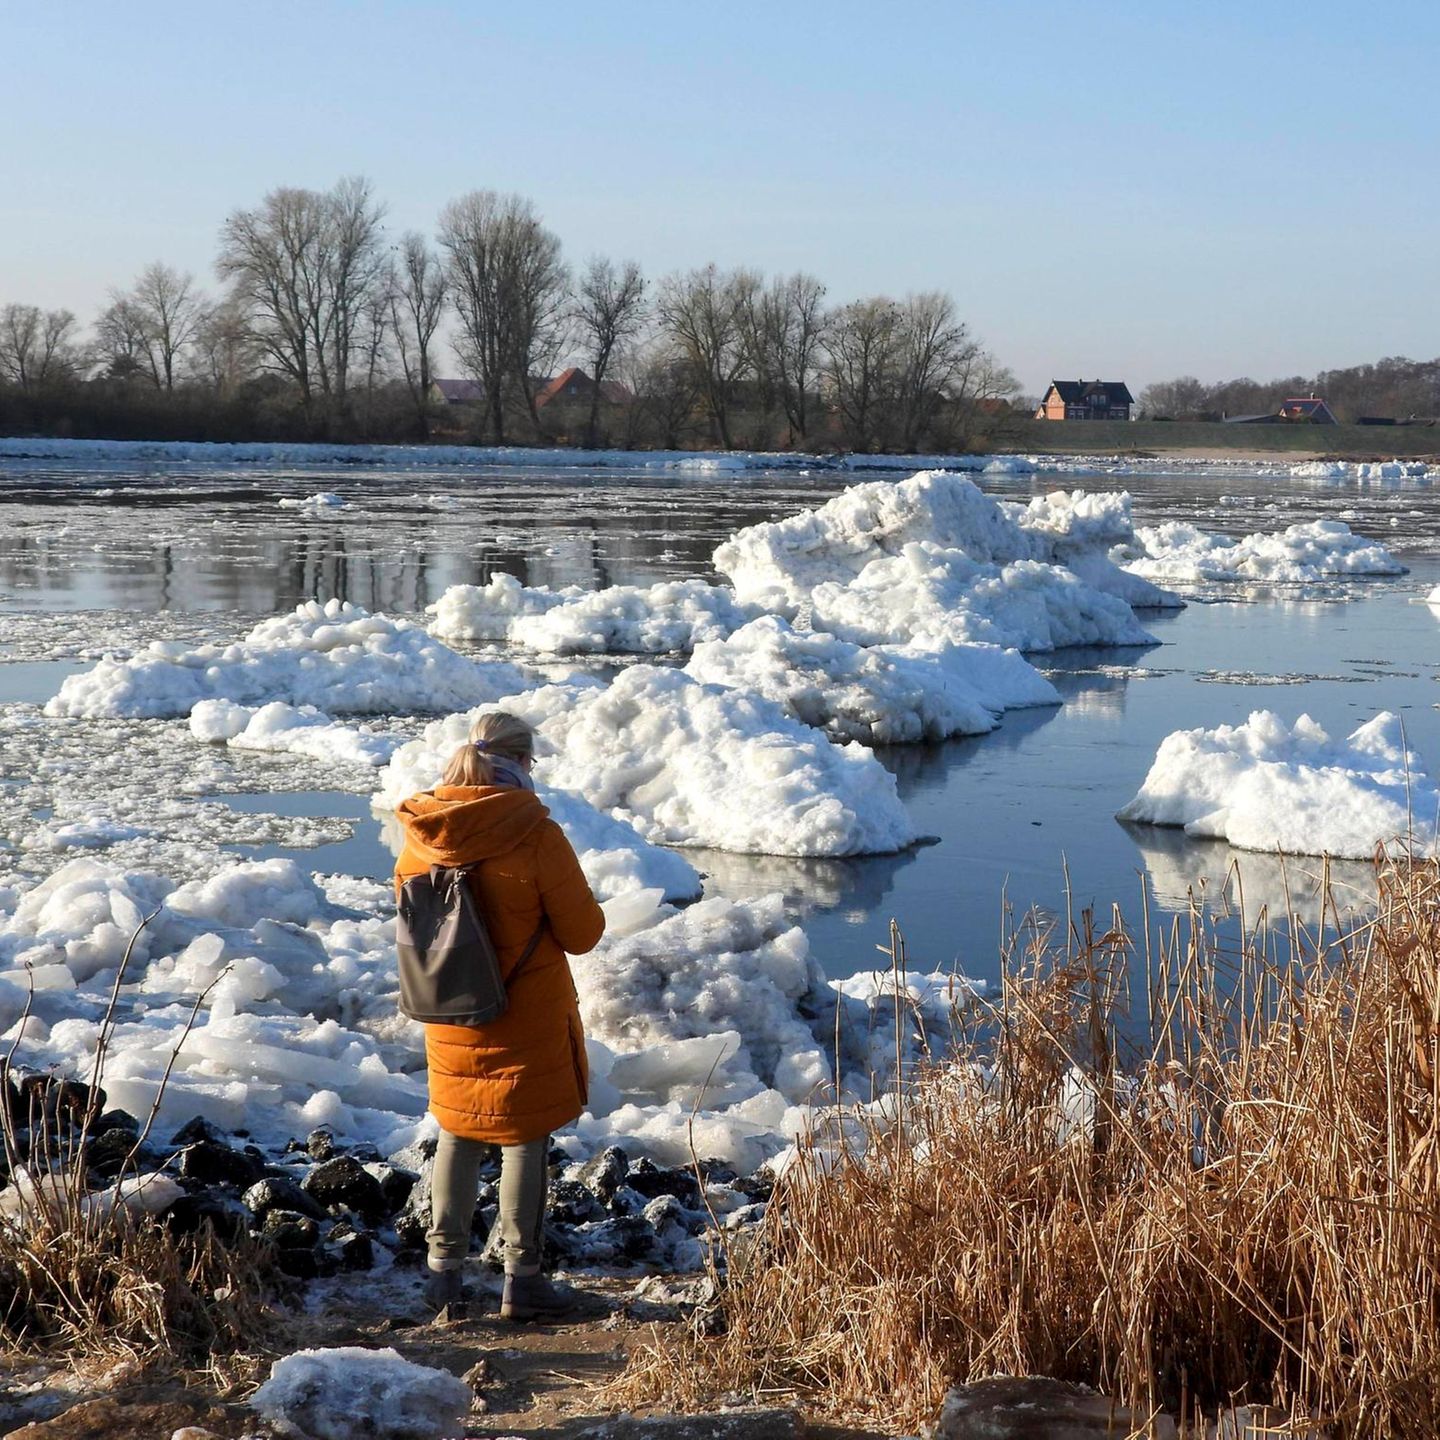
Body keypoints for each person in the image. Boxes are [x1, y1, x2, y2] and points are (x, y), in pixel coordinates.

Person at [394, 710, 605, 1321]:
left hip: (451, 1005)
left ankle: (442, 1278)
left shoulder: (419, 833)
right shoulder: (534, 833)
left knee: (458, 1130)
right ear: (523, 762)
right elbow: (583, 933)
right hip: (524, 1011)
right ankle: (524, 1281)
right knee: (523, 1139)